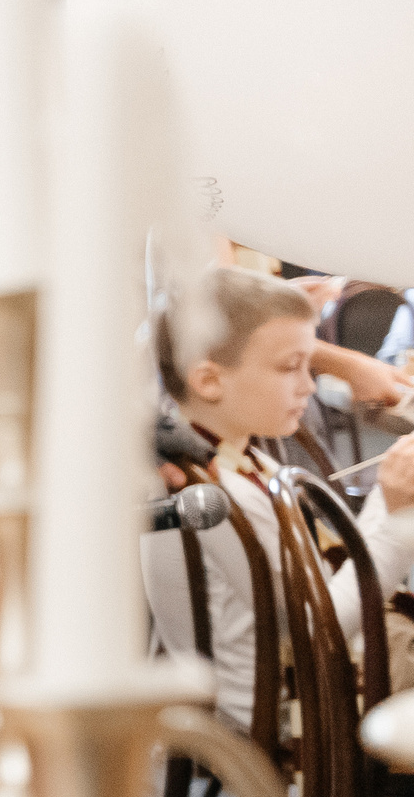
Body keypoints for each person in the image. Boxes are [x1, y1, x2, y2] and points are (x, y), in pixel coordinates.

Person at [142, 268, 414, 734]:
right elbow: (316, 627)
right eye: (291, 367)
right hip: (292, 701)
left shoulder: (208, 454)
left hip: (282, 679)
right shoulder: (227, 494)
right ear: (209, 381)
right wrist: (396, 518)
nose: (309, 388)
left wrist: (386, 509)